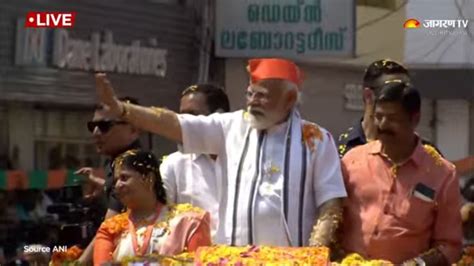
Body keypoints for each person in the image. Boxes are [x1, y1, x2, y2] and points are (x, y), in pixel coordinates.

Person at [95, 58, 347, 248]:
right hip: (231, 259)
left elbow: (331, 203)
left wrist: (314, 255)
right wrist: (123, 110)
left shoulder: (316, 139)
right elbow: (174, 123)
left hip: (291, 261)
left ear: (289, 98)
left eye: (262, 96)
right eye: (250, 94)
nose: (252, 102)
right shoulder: (230, 127)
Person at [341, 81, 463, 265]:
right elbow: (329, 215)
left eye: (392, 118)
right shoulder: (352, 160)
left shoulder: (442, 174)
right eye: (378, 116)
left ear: (415, 119)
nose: (382, 125)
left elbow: (450, 246)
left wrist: (417, 264)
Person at [337, 59, 474, 176]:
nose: (403, 95)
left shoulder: (426, 153)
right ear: (368, 96)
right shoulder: (340, 152)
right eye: (393, 89)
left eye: (407, 89)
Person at [93, 150, 211, 265]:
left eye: (124, 178)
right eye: (115, 181)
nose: (118, 186)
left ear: (149, 178)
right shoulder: (109, 229)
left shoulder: (189, 223)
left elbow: (201, 262)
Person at [160, 84, 230, 241]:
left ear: (219, 117)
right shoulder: (174, 164)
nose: (183, 123)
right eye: (180, 116)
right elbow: (157, 213)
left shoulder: (246, 159)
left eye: (191, 115)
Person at [76, 97, 142, 263]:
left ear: (133, 129)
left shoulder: (132, 164)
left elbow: (109, 229)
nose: (96, 132)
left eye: (104, 126)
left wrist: (77, 263)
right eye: (92, 126)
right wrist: (103, 186)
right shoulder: (114, 160)